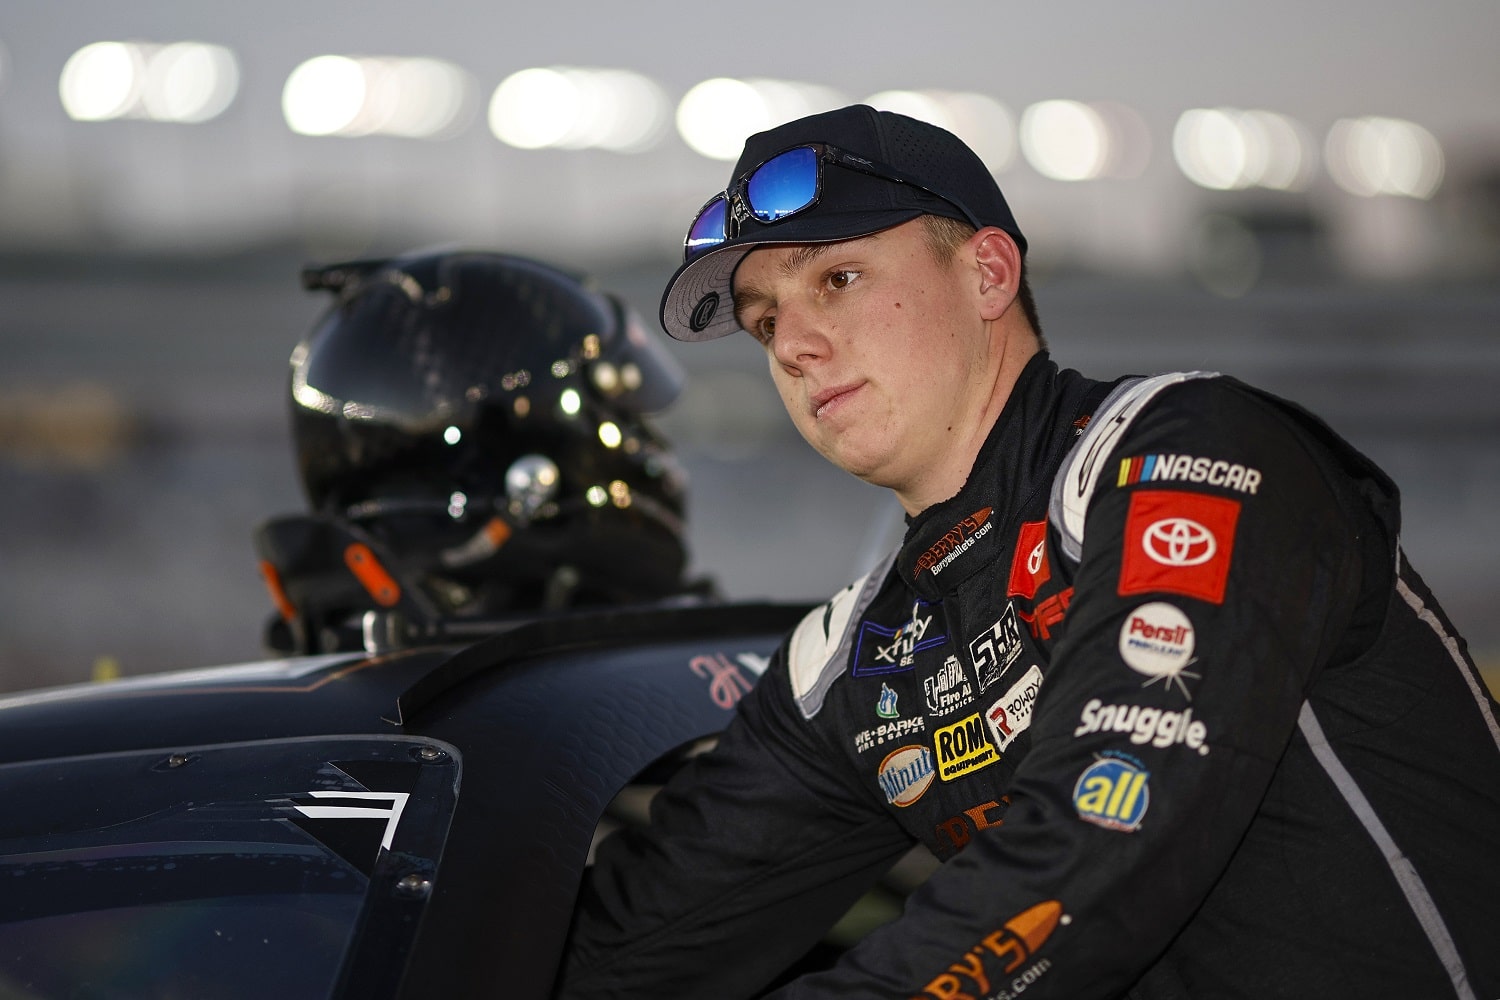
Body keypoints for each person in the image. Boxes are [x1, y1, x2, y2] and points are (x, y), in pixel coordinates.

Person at [555, 105, 1500, 999]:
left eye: (836, 281)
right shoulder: (858, 656)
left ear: (989, 275)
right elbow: (626, 950)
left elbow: (1100, 834)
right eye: (764, 322)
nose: (793, 345)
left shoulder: (1191, 451)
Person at [253, 248, 710, 655]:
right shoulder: (636, 682)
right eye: (622, 414)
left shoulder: (337, 673)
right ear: (531, 472)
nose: (646, 441)